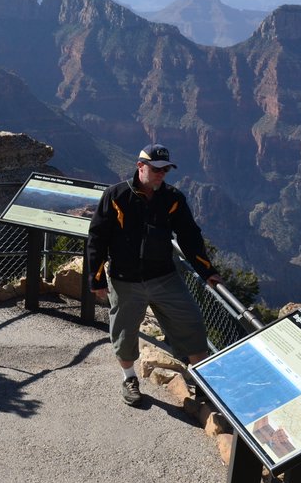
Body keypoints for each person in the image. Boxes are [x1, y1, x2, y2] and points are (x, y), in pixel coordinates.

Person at [86, 143, 223, 406]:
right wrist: (96, 278)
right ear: (140, 166)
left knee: (192, 324)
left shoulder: (173, 198)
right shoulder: (116, 196)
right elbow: (97, 238)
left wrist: (208, 271)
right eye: (156, 169)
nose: (161, 174)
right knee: (125, 333)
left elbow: (189, 237)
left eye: (166, 170)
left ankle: (204, 386)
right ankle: (129, 378)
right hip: (126, 280)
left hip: (165, 277)